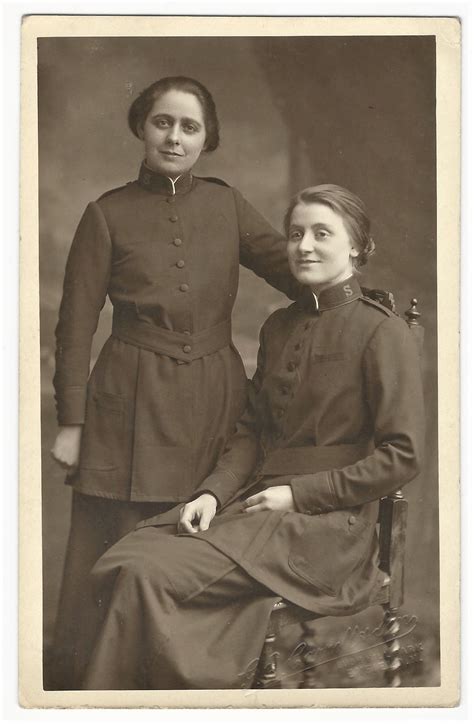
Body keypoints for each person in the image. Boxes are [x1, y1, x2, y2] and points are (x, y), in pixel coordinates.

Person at [80, 184, 425, 690]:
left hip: (330, 531)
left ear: (356, 245)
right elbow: (251, 435)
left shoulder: (382, 332)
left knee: (145, 575)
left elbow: (404, 455)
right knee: (123, 557)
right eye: (295, 233)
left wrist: (298, 494)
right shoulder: (280, 327)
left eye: (322, 234)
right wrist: (211, 492)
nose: (304, 246)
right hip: (258, 512)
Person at [48, 76, 300, 689]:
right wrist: (73, 424)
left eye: (189, 127)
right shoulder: (105, 214)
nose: (175, 137)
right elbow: (75, 326)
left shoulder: (226, 203)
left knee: (193, 540)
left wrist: (346, 294)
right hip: (127, 401)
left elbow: (290, 268)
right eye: (163, 122)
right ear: (142, 126)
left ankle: (181, 681)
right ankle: (94, 691)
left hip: (214, 395)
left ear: (207, 138)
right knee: (109, 547)